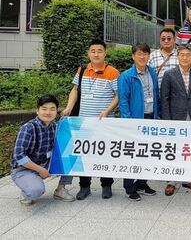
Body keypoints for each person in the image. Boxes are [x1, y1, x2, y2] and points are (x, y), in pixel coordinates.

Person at [60, 38, 119, 200]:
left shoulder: (112, 72)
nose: (96, 54)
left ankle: (106, 185)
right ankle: (84, 186)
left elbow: (118, 95)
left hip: (104, 122)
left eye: (99, 51)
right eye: (93, 51)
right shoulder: (82, 70)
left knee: (105, 153)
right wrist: (69, 108)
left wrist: (107, 111)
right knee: (83, 154)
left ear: (105, 53)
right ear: (88, 53)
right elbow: (75, 90)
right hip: (83, 121)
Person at [11, 95, 75, 205]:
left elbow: (66, 143)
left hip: (45, 163)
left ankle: (61, 189)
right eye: (44, 109)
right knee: (35, 191)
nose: (48, 112)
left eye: (52, 109)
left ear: (56, 111)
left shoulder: (54, 127)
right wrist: (40, 170)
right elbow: (19, 156)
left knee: (70, 155)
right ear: (37, 111)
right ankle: (27, 190)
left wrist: (65, 122)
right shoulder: (28, 128)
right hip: (24, 168)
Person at [161, 44, 191, 195]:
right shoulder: (169, 74)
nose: (185, 57)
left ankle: (188, 179)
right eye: (181, 55)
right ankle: (171, 182)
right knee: (174, 149)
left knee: (190, 149)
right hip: (175, 118)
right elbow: (164, 100)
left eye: (188, 55)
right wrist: (167, 121)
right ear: (177, 56)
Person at [118, 43, 159, 201]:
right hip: (135, 119)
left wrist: (157, 116)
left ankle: (142, 183)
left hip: (151, 117)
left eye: (145, 54)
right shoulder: (127, 76)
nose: (142, 57)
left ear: (149, 56)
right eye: (139, 54)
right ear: (133, 56)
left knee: (147, 152)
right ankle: (129, 187)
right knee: (132, 153)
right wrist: (128, 122)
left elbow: (155, 95)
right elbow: (123, 101)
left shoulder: (152, 72)